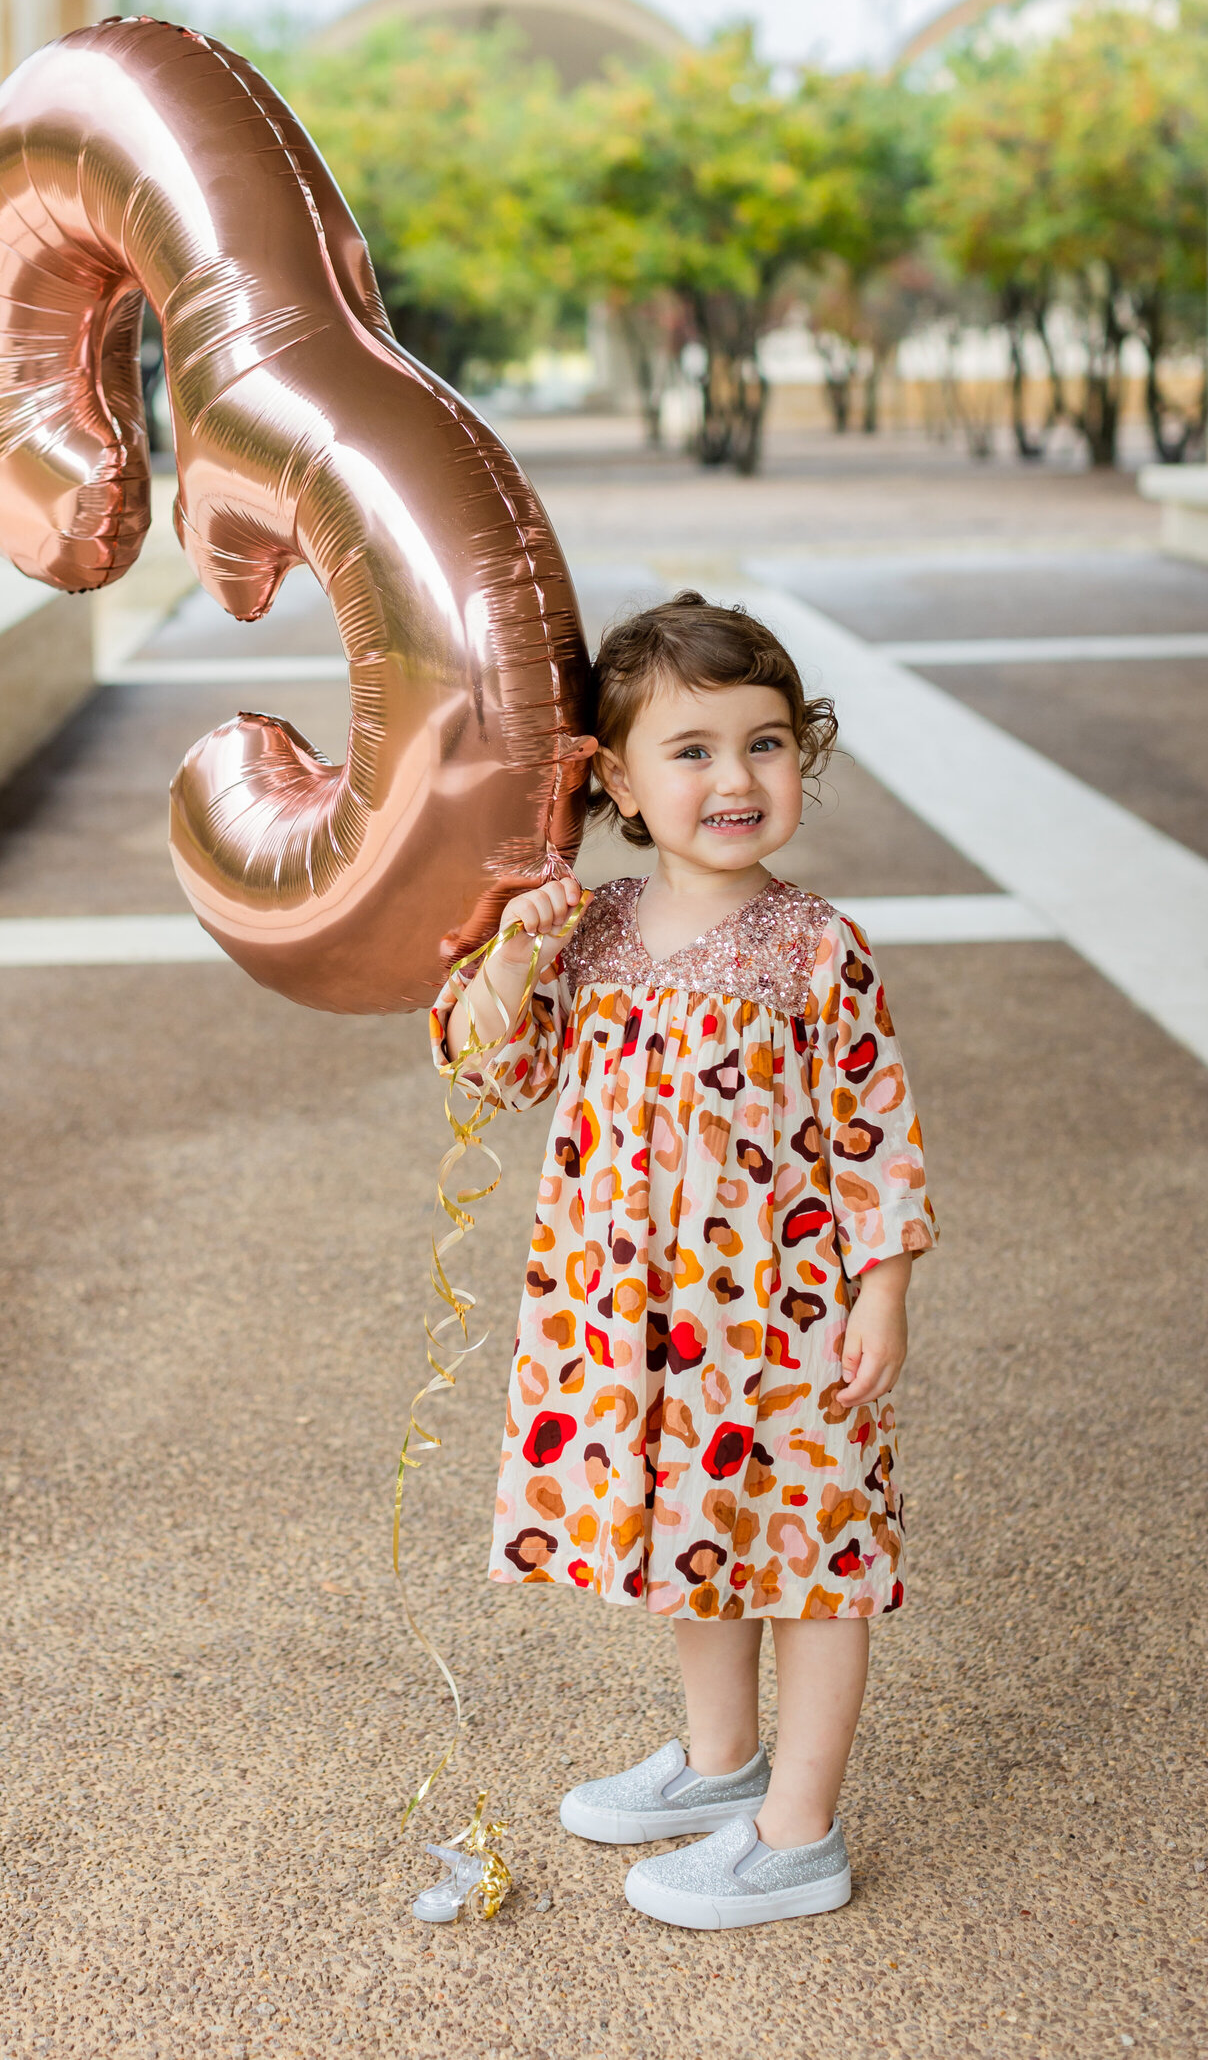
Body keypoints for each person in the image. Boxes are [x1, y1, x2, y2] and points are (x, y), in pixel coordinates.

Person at [431, 594, 937, 1931]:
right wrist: (516, 951)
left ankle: (798, 1832)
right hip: (636, 1322)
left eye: (765, 745)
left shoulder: (814, 948)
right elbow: (498, 1065)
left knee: (814, 1555)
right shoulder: (590, 932)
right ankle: (724, 1765)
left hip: (791, 1320)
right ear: (618, 781)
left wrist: (883, 1290)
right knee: (693, 1538)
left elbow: (877, 1128)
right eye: (693, 750)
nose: (735, 778)